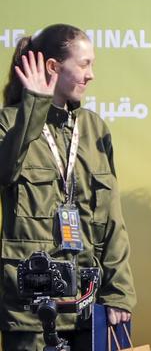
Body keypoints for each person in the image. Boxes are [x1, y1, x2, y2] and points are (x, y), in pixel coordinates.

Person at [0, 24, 135, 350]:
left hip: (89, 309)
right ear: (52, 67)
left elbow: (112, 219)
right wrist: (34, 105)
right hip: (31, 311)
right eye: (84, 64)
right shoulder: (9, 121)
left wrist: (118, 292)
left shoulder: (93, 127)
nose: (91, 75)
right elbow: (6, 170)